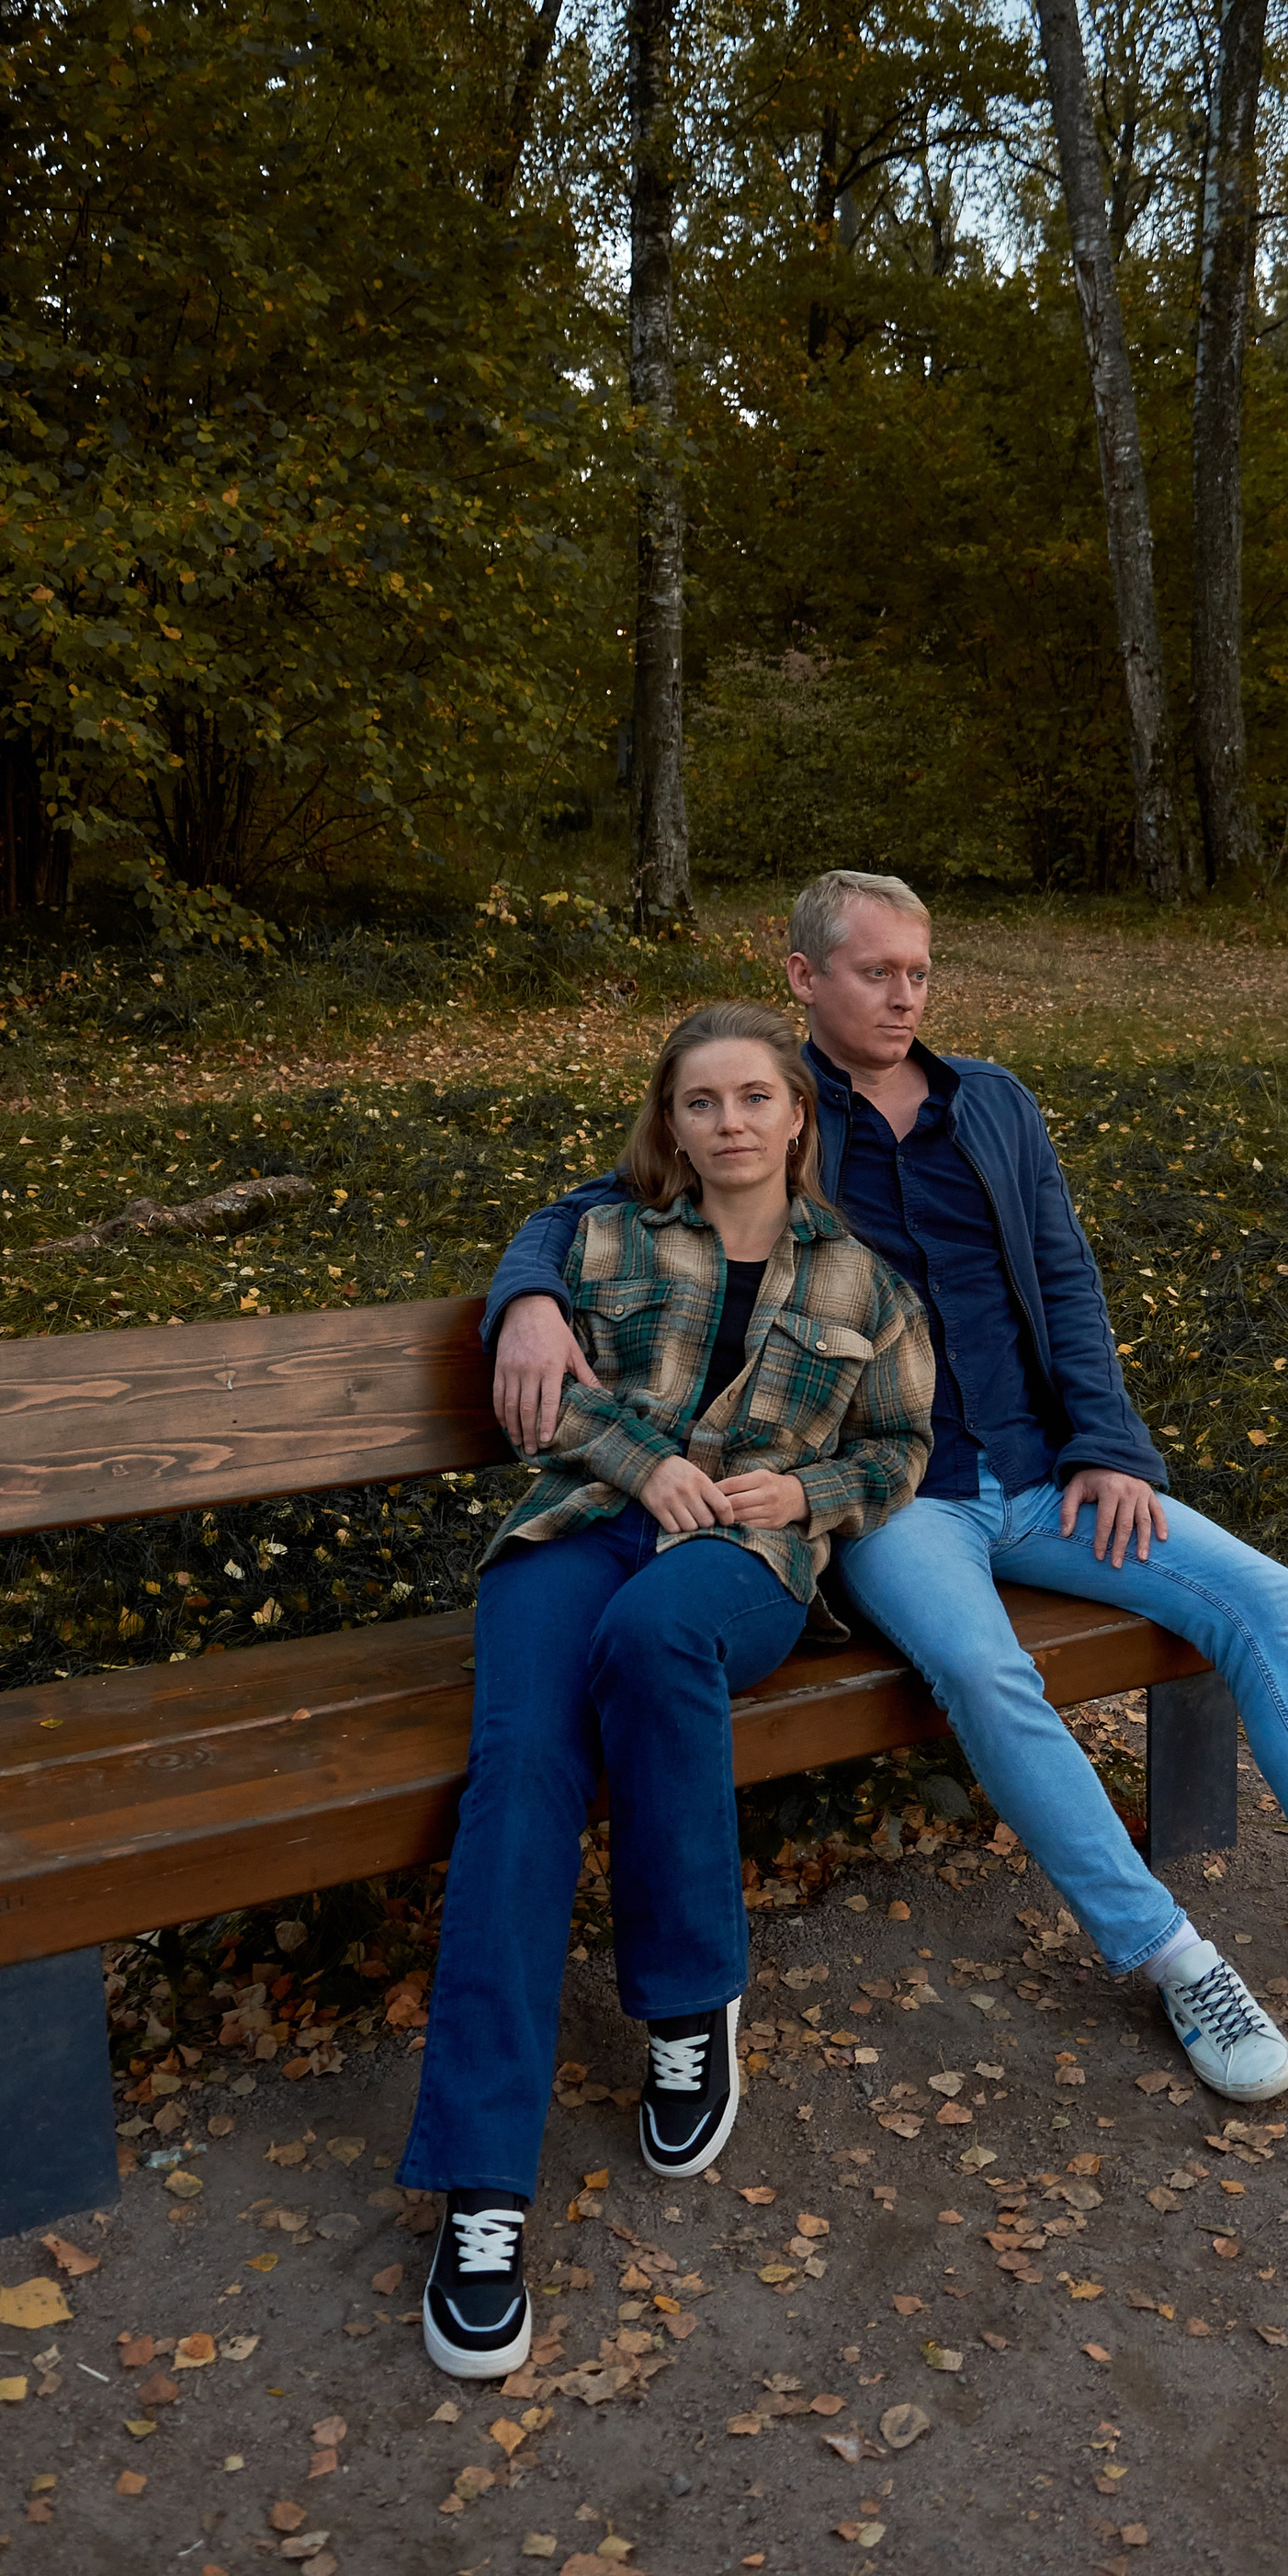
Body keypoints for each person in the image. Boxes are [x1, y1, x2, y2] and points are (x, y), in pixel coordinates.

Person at [487, 873, 1288, 2124]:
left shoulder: (990, 1102)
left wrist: (1109, 1446)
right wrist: (528, 1296)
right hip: (901, 1495)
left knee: (1268, 1598)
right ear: (803, 979)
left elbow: (1063, 1274)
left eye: (920, 972)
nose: (906, 995)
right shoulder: (774, 1109)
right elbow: (603, 1198)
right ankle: (1173, 1957)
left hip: (1047, 1473)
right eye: (876, 972)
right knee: (986, 1668)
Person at [400, 999, 933, 2380]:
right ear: (672, 1124)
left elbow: (899, 1448)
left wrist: (805, 1493)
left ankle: (691, 2000)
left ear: (798, 1115)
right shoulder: (601, 1243)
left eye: (756, 1096)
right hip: (582, 1529)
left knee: (652, 1637)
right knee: (519, 1772)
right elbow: (547, 1399)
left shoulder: (866, 1284)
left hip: (744, 1561)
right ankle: (481, 2192)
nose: (731, 1121)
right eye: (702, 1102)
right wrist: (646, 1466)